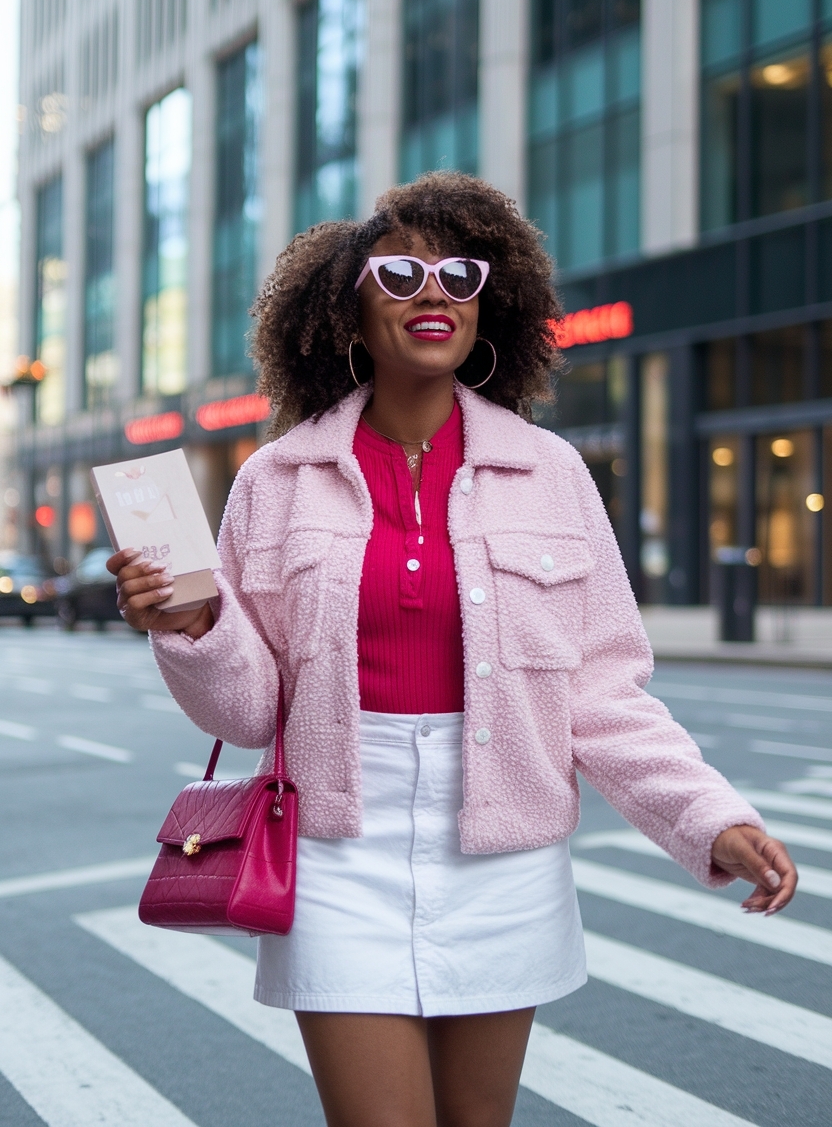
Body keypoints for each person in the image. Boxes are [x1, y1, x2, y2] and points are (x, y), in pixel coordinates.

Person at [111, 172, 797, 1127]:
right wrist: (192, 628)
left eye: (459, 275)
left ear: (491, 306)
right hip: (333, 843)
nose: (432, 293)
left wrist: (707, 819)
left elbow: (603, 695)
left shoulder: (551, 474)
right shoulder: (276, 481)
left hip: (502, 853)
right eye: (398, 274)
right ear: (347, 307)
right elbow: (249, 713)